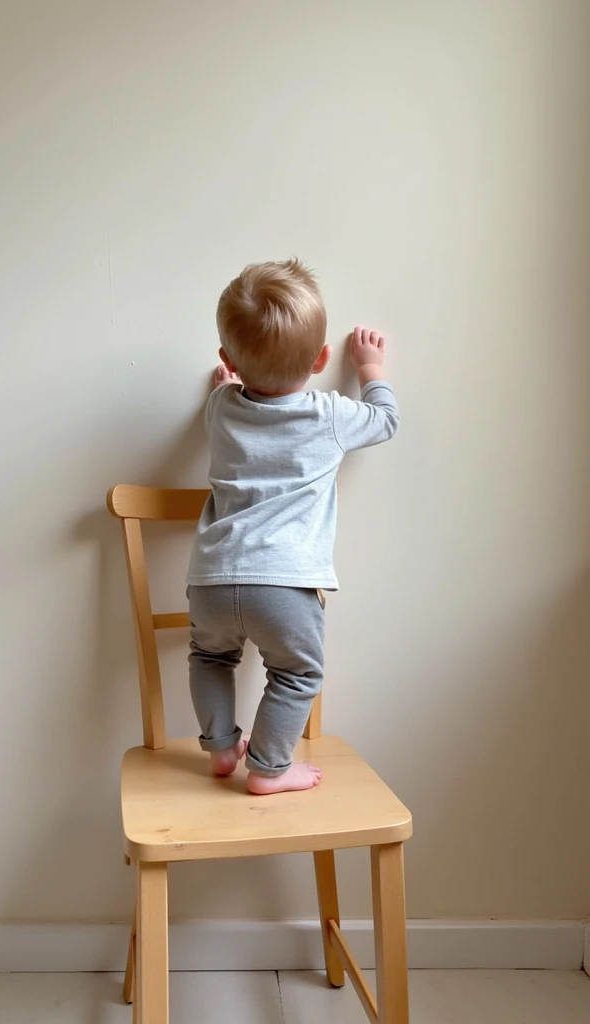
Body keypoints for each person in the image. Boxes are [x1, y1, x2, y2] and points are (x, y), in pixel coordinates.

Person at [186, 259, 400, 795]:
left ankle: (218, 749)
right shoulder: (328, 415)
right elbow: (385, 421)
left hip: (211, 578)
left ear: (226, 359)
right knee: (297, 674)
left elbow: (227, 390)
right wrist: (370, 369)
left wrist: (230, 382)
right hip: (283, 583)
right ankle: (267, 768)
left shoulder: (219, 408)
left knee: (210, 657)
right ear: (323, 358)